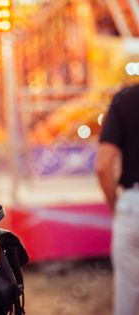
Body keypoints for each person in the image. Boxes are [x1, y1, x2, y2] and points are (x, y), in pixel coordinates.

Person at [96, 84, 139, 315]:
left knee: (128, 293)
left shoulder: (125, 98)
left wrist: (116, 206)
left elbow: (103, 166)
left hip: (133, 205)